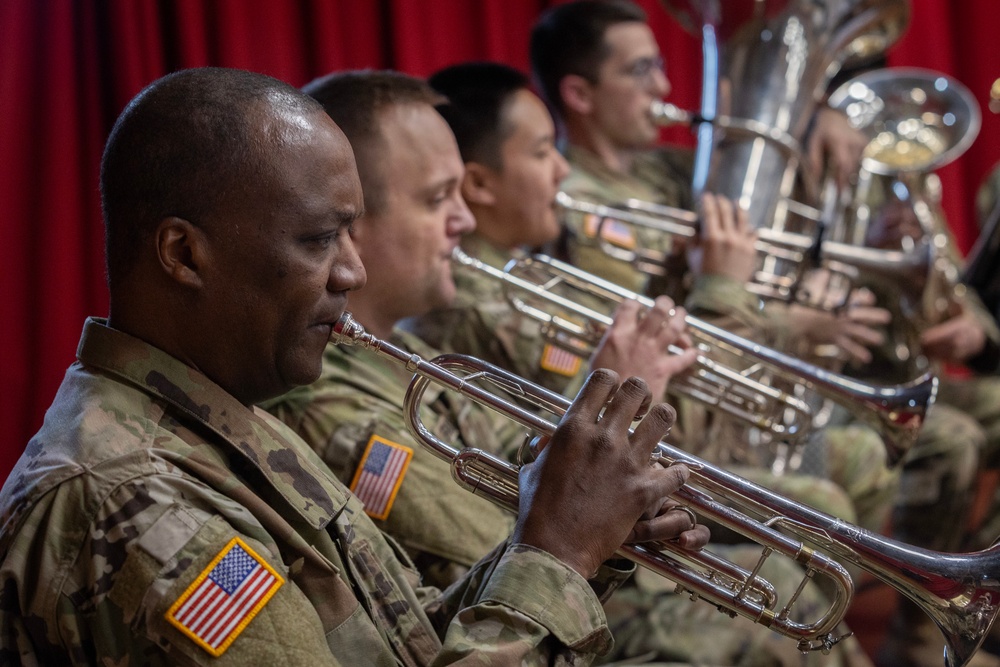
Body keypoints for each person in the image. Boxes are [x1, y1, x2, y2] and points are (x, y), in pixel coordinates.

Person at [0, 66, 710, 665]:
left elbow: (398, 645)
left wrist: (584, 535)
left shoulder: (222, 415)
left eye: (351, 231)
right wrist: (558, 553)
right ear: (185, 254)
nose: (353, 269)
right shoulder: (127, 498)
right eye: (317, 238)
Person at [406, 61, 875, 667]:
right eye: (544, 151)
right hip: (578, 557)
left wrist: (683, 296)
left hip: (628, 511)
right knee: (804, 552)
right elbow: (530, 479)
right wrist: (713, 305)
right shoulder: (472, 309)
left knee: (832, 510)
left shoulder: (530, 273)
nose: (563, 168)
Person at [263, 69, 694, 592]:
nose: (465, 218)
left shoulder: (407, 352)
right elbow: (502, 557)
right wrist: (610, 402)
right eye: (437, 198)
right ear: (353, 221)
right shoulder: (323, 398)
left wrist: (634, 504)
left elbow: (522, 457)